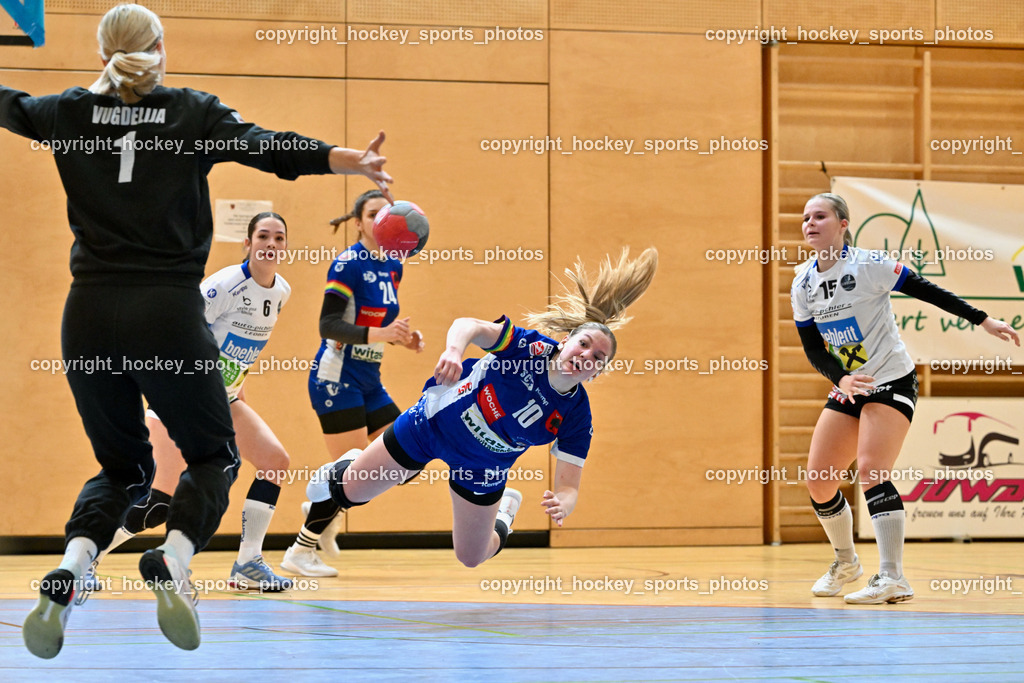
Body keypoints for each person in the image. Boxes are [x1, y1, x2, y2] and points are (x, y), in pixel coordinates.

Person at [7, 4, 393, 657]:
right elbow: (270, 149)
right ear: (159, 47)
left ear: (103, 53)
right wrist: (345, 160)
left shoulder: (64, 112)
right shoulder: (190, 110)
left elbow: (6, 102)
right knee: (213, 455)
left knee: (120, 465)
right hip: (165, 310)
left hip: (90, 312)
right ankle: (175, 559)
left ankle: (73, 565)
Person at [304, 248, 657, 569]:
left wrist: (564, 503)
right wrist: (454, 351)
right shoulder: (529, 348)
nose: (586, 356)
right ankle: (348, 463)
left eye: (597, 358)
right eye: (583, 344)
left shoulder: (577, 416)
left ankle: (504, 511)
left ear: (597, 373)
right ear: (565, 343)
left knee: (470, 556)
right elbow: (469, 325)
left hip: (483, 467)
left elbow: (569, 485)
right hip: (430, 426)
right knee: (347, 494)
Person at [791, 193, 1019, 605]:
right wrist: (840, 378)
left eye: (820, 215)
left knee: (872, 469)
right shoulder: (802, 281)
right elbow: (812, 348)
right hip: (849, 385)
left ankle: (893, 577)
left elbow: (926, 290)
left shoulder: (868, 266)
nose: (810, 223)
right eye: (805, 217)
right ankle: (846, 563)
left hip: (891, 379)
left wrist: (983, 320)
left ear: (843, 223)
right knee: (820, 481)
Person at [87, 212, 296, 592]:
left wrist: (237, 393)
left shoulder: (281, 291)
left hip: (225, 398)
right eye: (262, 236)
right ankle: (87, 559)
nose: (271, 244)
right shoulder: (226, 285)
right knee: (159, 503)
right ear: (247, 244)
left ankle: (248, 564)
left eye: (279, 238)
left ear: (285, 247)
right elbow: (178, 328)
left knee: (274, 462)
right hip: (186, 395)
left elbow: (238, 353)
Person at [281, 189, 424, 577]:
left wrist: (402, 337)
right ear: (359, 222)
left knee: (409, 457)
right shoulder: (348, 264)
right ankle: (299, 550)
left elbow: (377, 324)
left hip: (369, 379)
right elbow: (328, 325)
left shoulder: (394, 265)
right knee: (355, 469)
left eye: (387, 214)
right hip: (336, 377)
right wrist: (382, 334)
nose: (383, 221)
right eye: (374, 214)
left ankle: (321, 510)